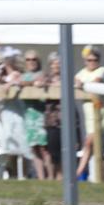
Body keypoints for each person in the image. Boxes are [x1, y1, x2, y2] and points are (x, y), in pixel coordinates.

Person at [74, 46, 104, 180]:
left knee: (89, 143)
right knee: (95, 147)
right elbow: (77, 81)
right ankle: (100, 176)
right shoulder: (82, 72)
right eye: (89, 60)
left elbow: (96, 81)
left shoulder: (102, 70)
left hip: (100, 113)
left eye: (94, 60)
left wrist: (82, 84)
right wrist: (80, 83)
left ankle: (78, 173)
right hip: (88, 115)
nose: (92, 62)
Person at [21, 52, 53, 180]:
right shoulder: (24, 75)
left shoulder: (42, 74)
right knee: (34, 148)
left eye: (34, 59)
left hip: (41, 115)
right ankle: (41, 177)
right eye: (28, 59)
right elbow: (21, 82)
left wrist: (30, 83)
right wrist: (29, 83)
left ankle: (50, 176)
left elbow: (42, 80)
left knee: (44, 148)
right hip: (29, 115)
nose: (31, 61)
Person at [42, 53, 63, 180]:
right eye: (54, 63)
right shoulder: (47, 78)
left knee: (62, 150)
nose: (56, 66)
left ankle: (61, 176)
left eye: (58, 63)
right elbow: (38, 82)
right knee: (50, 150)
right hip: (51, 120)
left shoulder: (66, 77)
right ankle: (50, 176)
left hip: (64, 119)